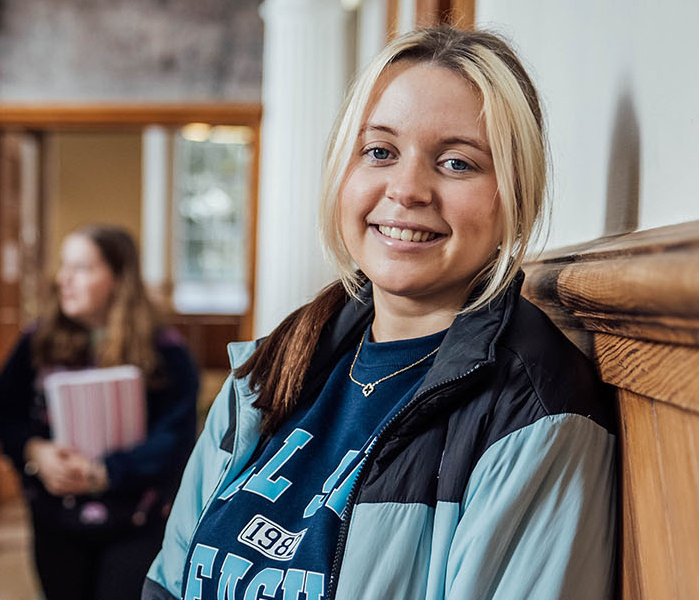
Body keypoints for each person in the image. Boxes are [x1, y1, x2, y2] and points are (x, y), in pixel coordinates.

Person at [142, 27, 618, 600]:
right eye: (380, 152)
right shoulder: (271, 365)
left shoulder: (537, 415)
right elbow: (169, 582)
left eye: (457, 163)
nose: (408, 188)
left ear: (516, 194)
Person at [0, 225, 200, 600]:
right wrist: (34, 451)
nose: (64, 279)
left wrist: (103, 472)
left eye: (82, 268)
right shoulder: (37, 341)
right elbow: (4, 411)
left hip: (137, 518)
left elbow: (176, 437)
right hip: (56, 518)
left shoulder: (166, 350)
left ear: (118, 280)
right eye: (63, 266)